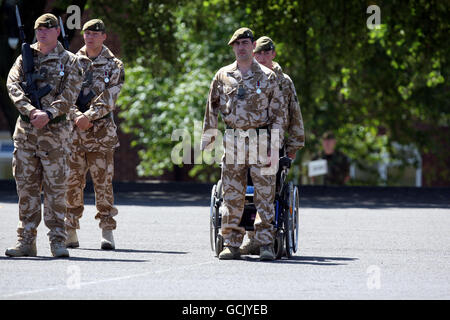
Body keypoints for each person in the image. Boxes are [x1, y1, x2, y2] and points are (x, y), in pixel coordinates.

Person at [201, 27, 286, 261]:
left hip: (261, 140)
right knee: (232, 195)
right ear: (233, 47)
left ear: (253, 45)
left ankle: (265, 243)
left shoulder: (268, 78)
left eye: (246, 42)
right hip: (233, 141)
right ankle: (231, 243)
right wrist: (208, 139)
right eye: (237, 44)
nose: (241, 47)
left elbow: (279, 115)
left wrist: (274, 147)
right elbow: (212, 108)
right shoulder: (223, 75)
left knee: (265, 194)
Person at [5, 13, 83, 257]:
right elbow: (12, 85)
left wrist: (48, 113)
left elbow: (70, 95)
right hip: (27, 135)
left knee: (55, 191)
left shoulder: (70, 61)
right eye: (39, 28)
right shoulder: (24, 58)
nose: (42, 32)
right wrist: (30, 111)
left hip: (56, 136)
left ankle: (58, 241)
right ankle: (26, 241)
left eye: (48, 29)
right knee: (26, 190)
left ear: (57, 31)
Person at [240, 36, 305, 255]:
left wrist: (293, 146)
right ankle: (251, 237)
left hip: (274, 143)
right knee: (248, 190)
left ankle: (269, 236)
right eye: (259, 53)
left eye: (267, 53)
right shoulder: (247, 76)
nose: (263, 57)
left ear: (273, 54)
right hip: (249, 143)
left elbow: (294, 113)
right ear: (253, 54)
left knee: (270, 190)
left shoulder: (284, 81)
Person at [65, 19, 125, 250]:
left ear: (104, 37)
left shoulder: (114, 65)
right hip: (73, 134)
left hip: (100, 134)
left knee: (103, 183)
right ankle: (70, 229)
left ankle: (107, 231)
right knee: (72, 183)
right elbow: (63, 95)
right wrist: (75, 116)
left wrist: (87, 116)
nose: (89, 37)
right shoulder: (70, 62)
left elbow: (110, 97)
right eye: (86, 33)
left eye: (94, 33)